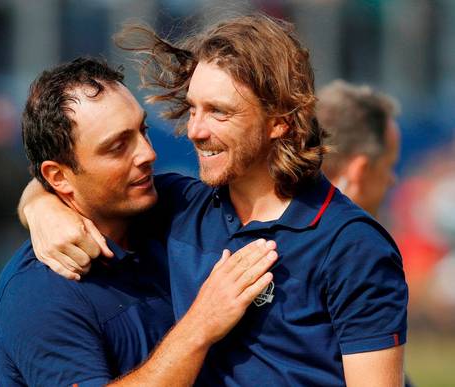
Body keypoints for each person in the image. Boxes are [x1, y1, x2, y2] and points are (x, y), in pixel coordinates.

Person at [21, 14, 408, 386]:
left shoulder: (352, 245)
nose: (195, 130)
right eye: (193, 108)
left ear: (279, 121)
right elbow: (84, 183)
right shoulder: (179, 206)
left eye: (218, 112)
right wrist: (42, 207)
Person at [0, 57, 277, 386]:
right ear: (58, 176)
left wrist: (37, 202)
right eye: (117, 147)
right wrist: (201, 325)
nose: (147, 154)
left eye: (142, 130)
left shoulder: (169, 205)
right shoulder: (38, 294)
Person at [318, 80, 401, 217]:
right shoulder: (360, 236)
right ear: (360, 170)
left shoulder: (277, 224)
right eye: (388, 166)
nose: (392, 180)